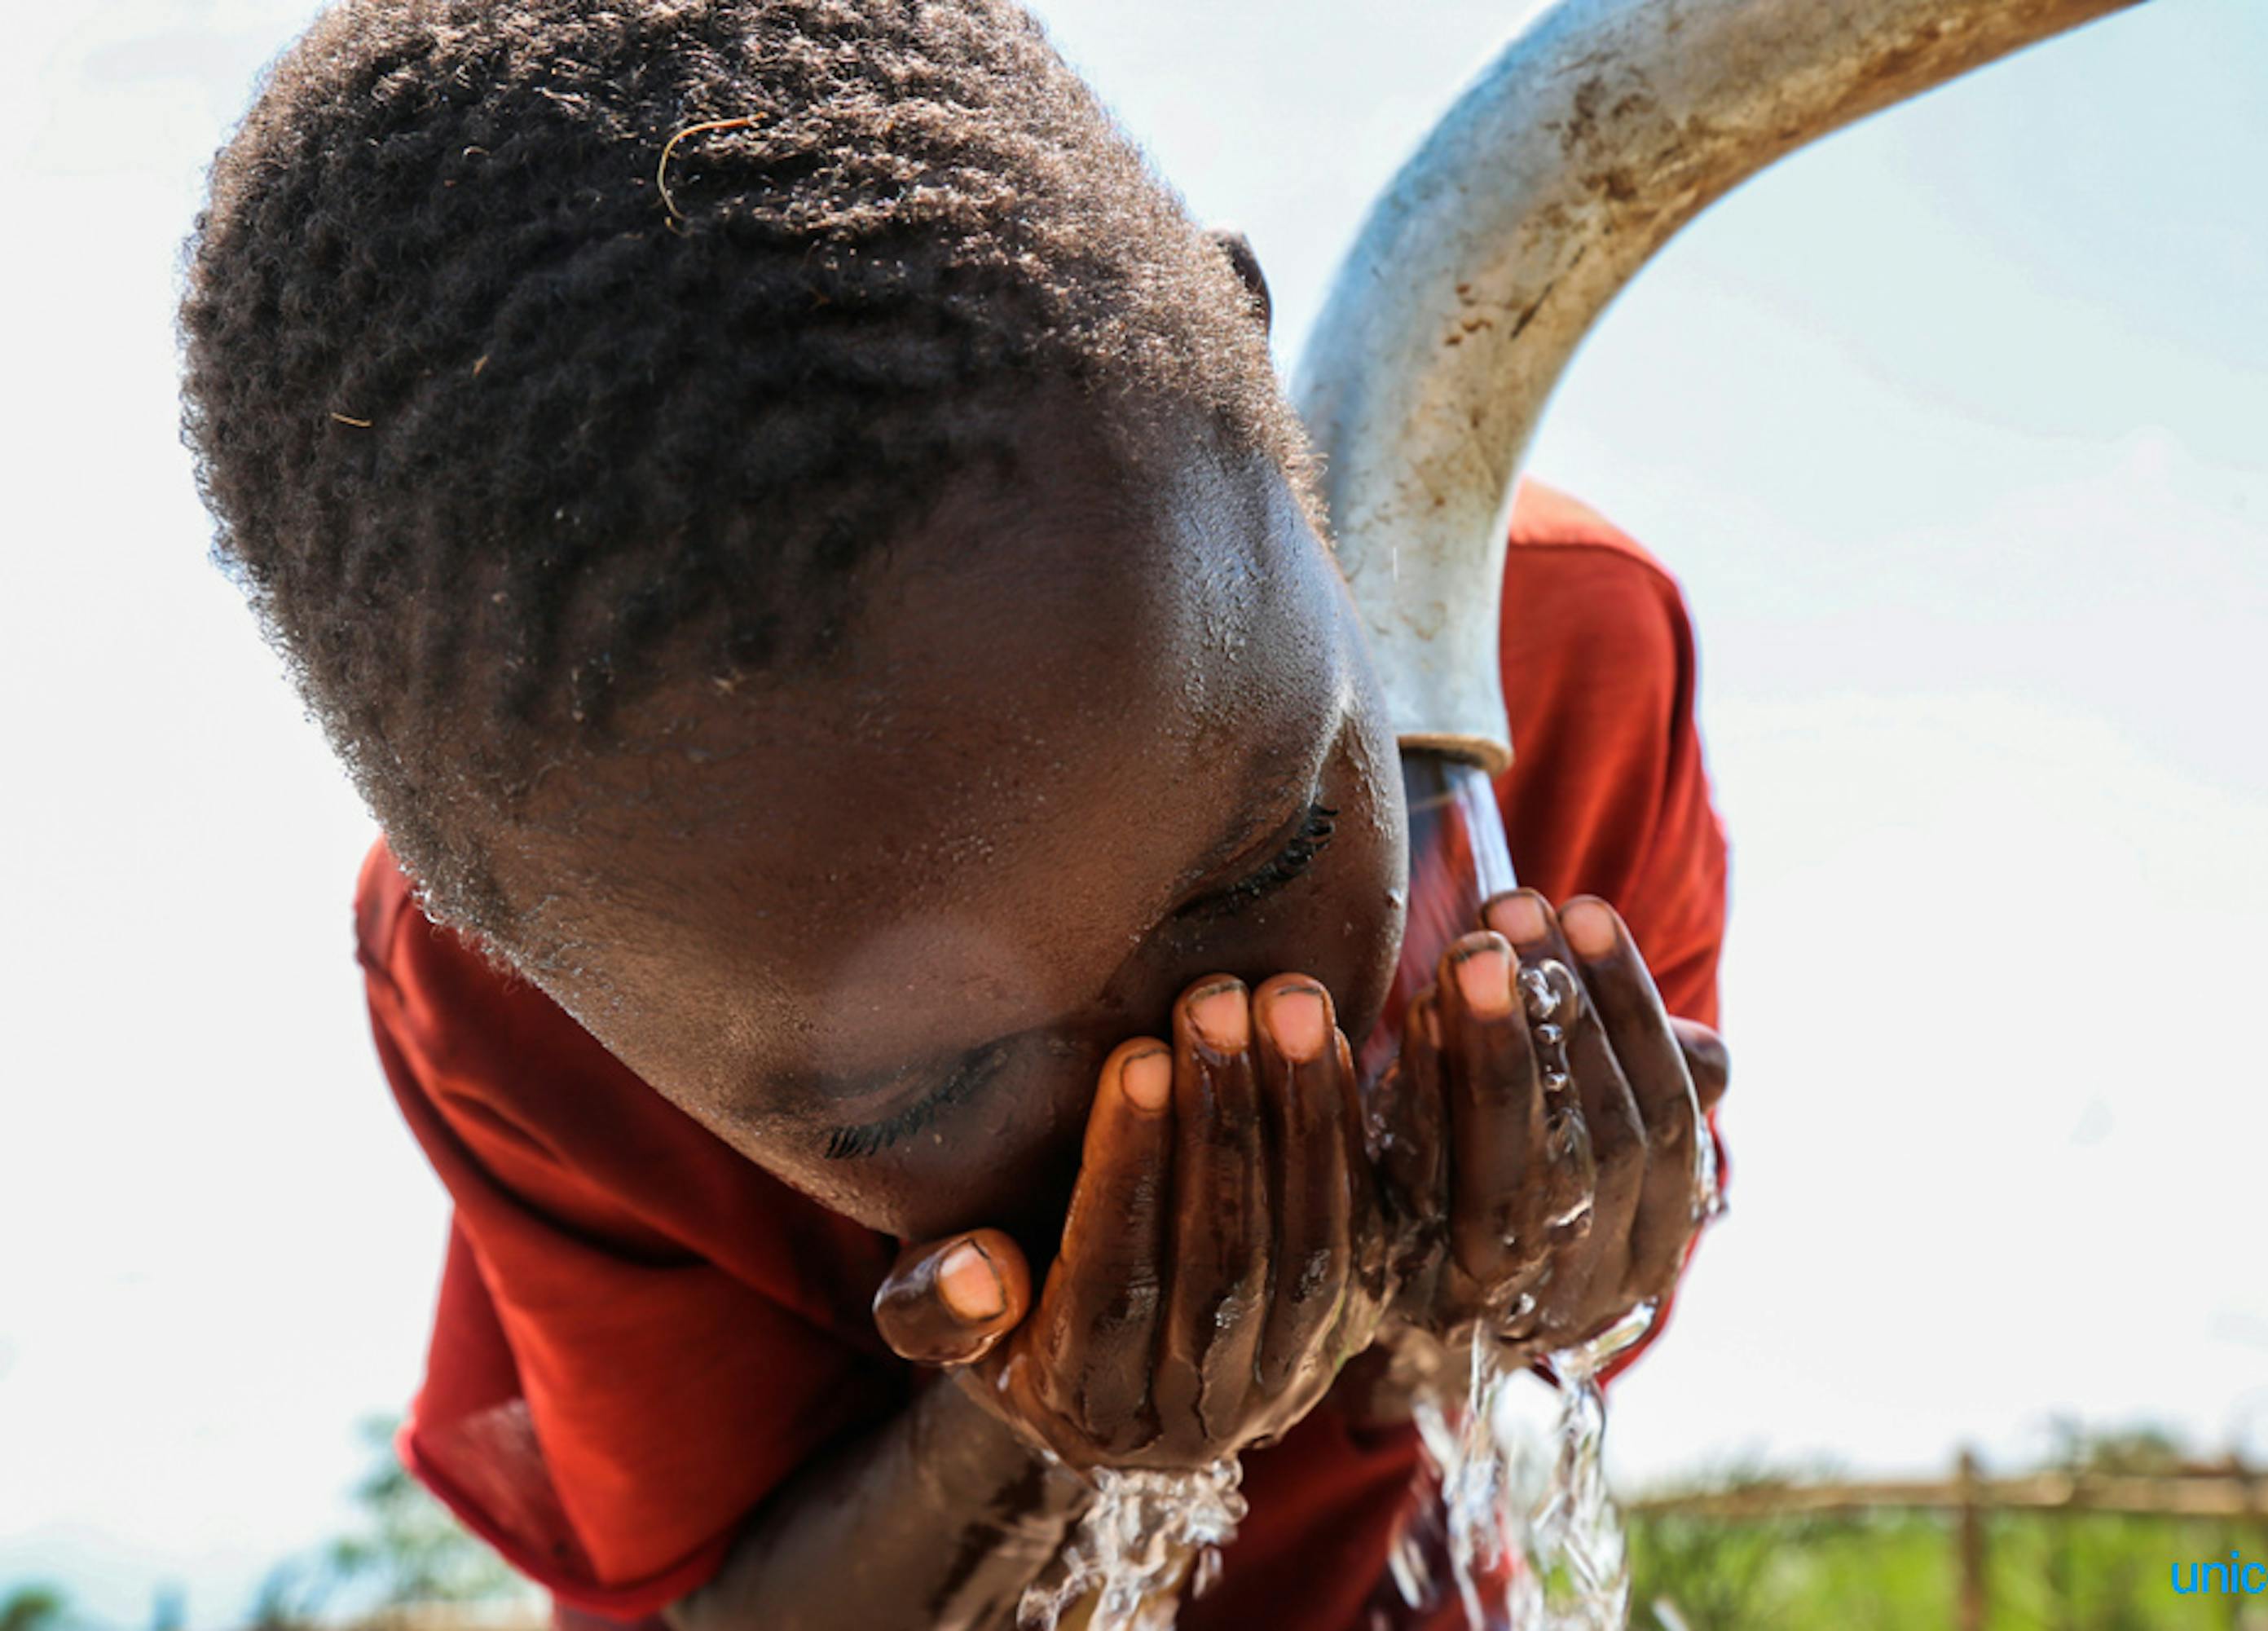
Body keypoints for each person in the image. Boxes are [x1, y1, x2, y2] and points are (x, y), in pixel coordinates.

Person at [178, 2, 1732, 1626]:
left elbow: (1526, 1372)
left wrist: (1556, 1253)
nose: (1187, 1060)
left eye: (1269, 855)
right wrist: (1020, 1431)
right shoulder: (514, 1012)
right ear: (518, 948)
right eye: (934, 1079)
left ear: (1242, 359)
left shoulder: (1547, 669)